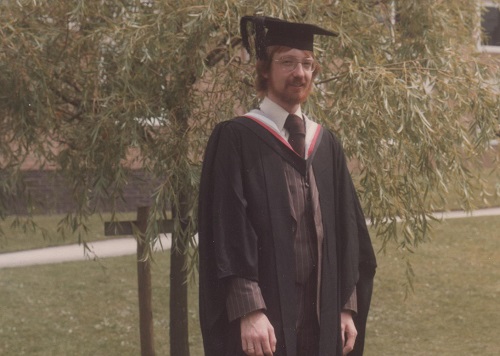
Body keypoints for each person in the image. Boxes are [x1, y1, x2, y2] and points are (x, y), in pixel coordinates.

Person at [198, 16, 377, 356]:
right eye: (288, 62)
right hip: (265, 324)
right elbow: (227, 231)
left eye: (307, 64)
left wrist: (345, 305)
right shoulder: (236, 138)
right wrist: (249, 310)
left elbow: (348, 231)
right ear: (265, 70)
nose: (300, 73)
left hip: (322, 321)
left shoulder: (325, 144)